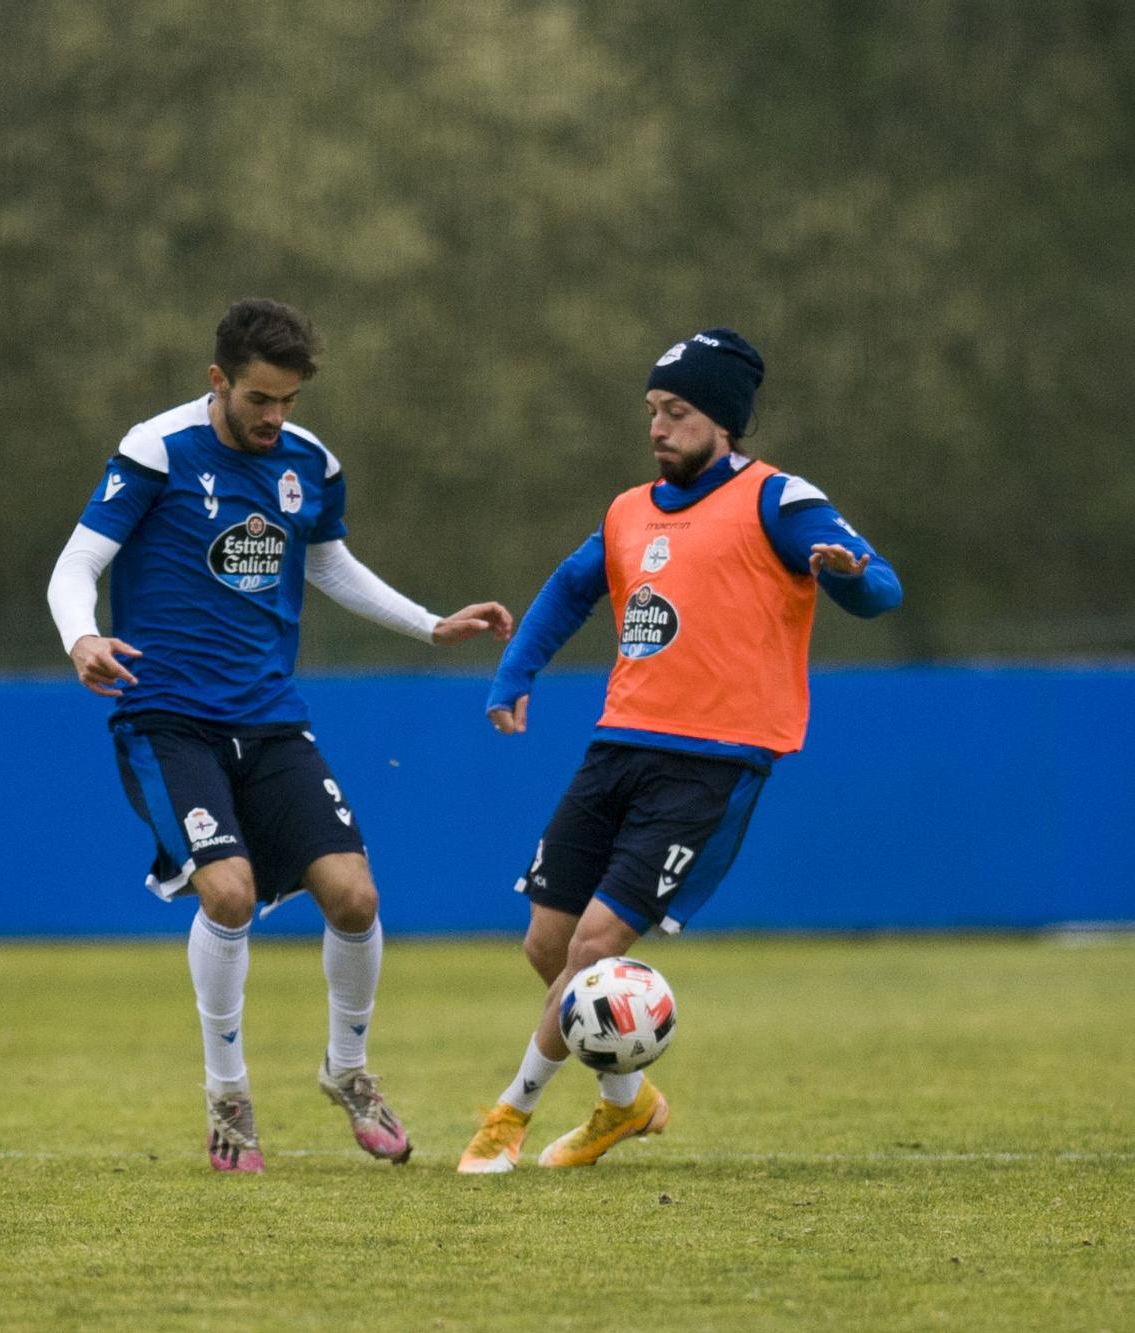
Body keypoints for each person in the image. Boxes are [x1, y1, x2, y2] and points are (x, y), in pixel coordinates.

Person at [47, 299, 513, 1173]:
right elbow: (77, 563)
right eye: (260, 398)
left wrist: (428, 624)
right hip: (168, 719)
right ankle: (228, 1094)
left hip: (269, 721)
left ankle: (348, 1072)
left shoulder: (310, 465)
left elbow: (326, 558)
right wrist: (82, 635)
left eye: (289, 400)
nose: (275, 417)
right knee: (227, 892)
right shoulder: (158, 450)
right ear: (217, 380)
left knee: (357, 898)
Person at [455, 328, 903, 1173]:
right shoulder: (629, 509)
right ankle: (630, 1106)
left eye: (679, 411)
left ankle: (507, 1115)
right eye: (654, 411)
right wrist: (514, 675)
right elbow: (568, 588)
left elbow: (882, 589)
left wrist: (846, 574)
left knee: (593, 951)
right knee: (548, 949)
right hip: (617, 744)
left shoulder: (781, 499)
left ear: (724, 421)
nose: (659, 427)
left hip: (713, 759)